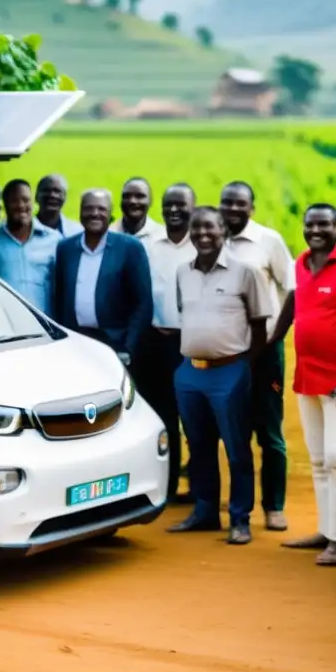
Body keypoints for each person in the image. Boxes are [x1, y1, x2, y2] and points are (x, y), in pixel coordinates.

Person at [167, 207, 271, 545]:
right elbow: (186, 314)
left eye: (210, 227)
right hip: (190, 373)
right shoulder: (183, 271)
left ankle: (240, 519)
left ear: (224, 231)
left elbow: (259, 327)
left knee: (237, 448)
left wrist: (244, 367)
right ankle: (205, 511)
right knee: (198, 447)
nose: (202, 234)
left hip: (230, 372)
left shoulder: (245, 273)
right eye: (196, 228)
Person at [270, 204, 336, 566]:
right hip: (307, 377)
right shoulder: (299, 266)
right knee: (319, 459)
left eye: (324, 224)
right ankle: (326, 530)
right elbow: (290, 308)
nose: (316, 230)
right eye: (311, 224)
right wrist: (267, 348)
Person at [220, 181, 295, 532]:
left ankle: (274, 506)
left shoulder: (269, 241)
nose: (232, 210)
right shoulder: (210, 239)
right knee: (236, 432)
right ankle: (241, 511)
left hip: (265, 352)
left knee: (269, 432)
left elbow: (292, 291)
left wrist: (274, 339)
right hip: (226, 353)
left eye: (239, 204)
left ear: (251, 208)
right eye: (226, 203)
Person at [53, 189, 153, 367]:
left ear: (111, 214)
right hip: (76, 341)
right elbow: (59, 296)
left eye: (101, 209)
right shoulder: (65, 248)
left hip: (114, 343)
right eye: (89, 208)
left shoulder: (130, 248)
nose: (95, 214)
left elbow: (143, 304)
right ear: (80, 212)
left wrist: (128, 347)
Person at [141, 183, 197, 503]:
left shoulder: (204, 244)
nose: (174, 210)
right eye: (168, 204)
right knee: (164, 416)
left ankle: (201, 487)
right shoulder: (149, 245)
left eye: (181, 204)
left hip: (191, 344)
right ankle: (170, 485)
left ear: (194, 206)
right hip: (156, 342)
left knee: (194, 416)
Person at [0, 179, 61, 316]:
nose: (21, 206)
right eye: (14, 201)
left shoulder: (54, 240)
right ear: (4, 205)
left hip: (46, 323)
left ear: (33, 202)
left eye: (26, 200)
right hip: (8, 323)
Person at [110, 177, 164, 242]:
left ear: (150, 201)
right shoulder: (107, 235)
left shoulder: (162, 236)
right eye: (127, 196)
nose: (132, 201)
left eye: (140, 196)